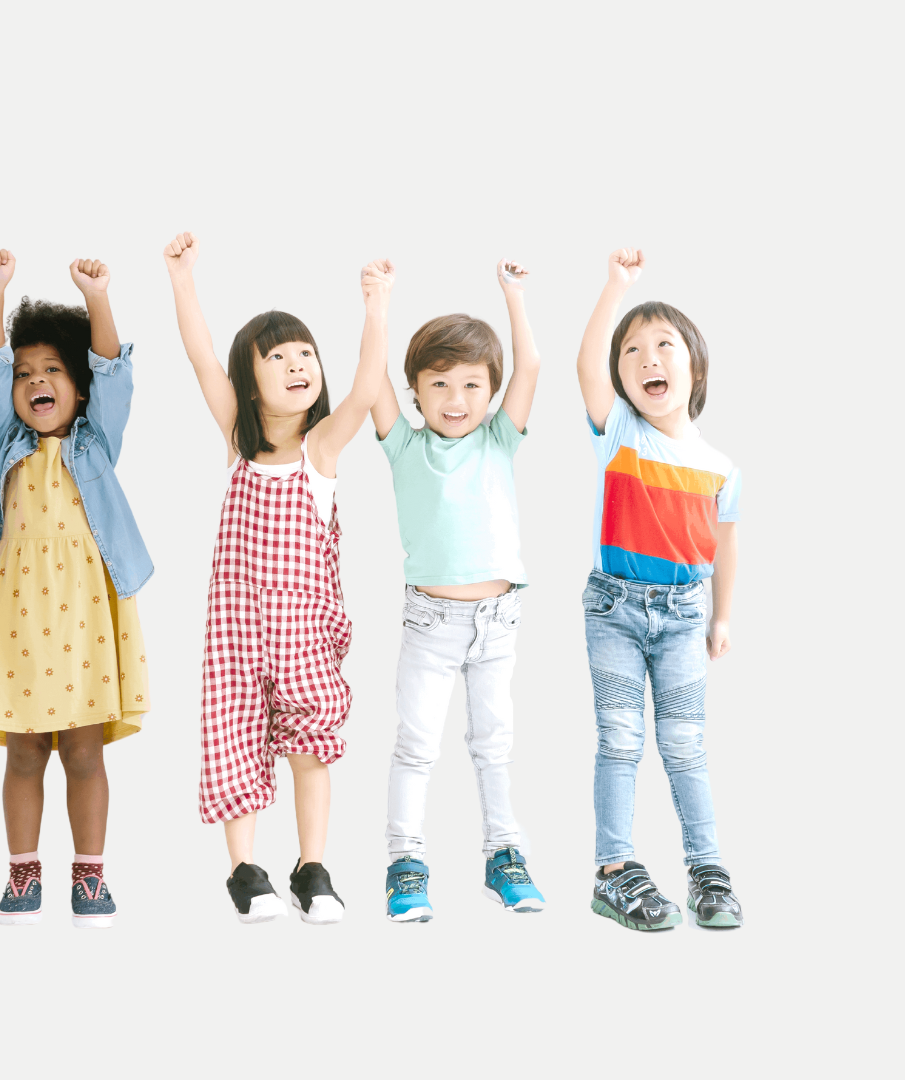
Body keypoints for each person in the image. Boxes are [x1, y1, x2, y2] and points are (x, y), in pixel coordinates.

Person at [164, 230, 394, 924]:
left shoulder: (319, 450)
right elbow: (202, 357)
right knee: (234, 734)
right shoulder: (239, 441)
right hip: (235, 630)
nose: (297, 364)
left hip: (302, 633)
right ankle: (244, 869)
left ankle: (311, 866)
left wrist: (376, 306)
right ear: (249, 380)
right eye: (277, 357)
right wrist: (182, 280)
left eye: (305, 354)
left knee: (308, 748)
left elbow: (364, 388)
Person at [0, 248, 152, 929]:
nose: (36, 380)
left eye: (53, 370)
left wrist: (98, 299)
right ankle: (23, 871)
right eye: (25, 374)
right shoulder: (4, 443)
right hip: (15, 619)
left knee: (85, 751)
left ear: (79, 388)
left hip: (86, 622)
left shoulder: (96, 444)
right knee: (24, 750)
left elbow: (115, 373)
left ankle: (90, 876)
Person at [575, 248, 744, 930]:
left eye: (664, 346)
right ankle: (614, 871)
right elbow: (586, 366)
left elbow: (725, 544)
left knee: (685, 745)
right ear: (621, 379)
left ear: (694, 367)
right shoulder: (621, 432)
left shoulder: (720, 467)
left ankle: (707, 870)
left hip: (683, 617)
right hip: (613, 609)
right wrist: (616, 287)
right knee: (620, 740)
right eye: (632, 352)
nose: (648, 358)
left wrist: (722, 617)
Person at [373, 259, 544, 921]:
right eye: (439, 382)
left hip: (499, 623)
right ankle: (406, 864)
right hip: (431, 625)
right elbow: (371, 376)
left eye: (472, 384)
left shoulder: (499, 439)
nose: (455, 397)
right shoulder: (404, 446)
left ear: (491, 391)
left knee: (494, 745)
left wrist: (514, 296)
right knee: (416, 746)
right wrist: (379, 303)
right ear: (416, 391)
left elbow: (530, 367)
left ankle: (505, 857)